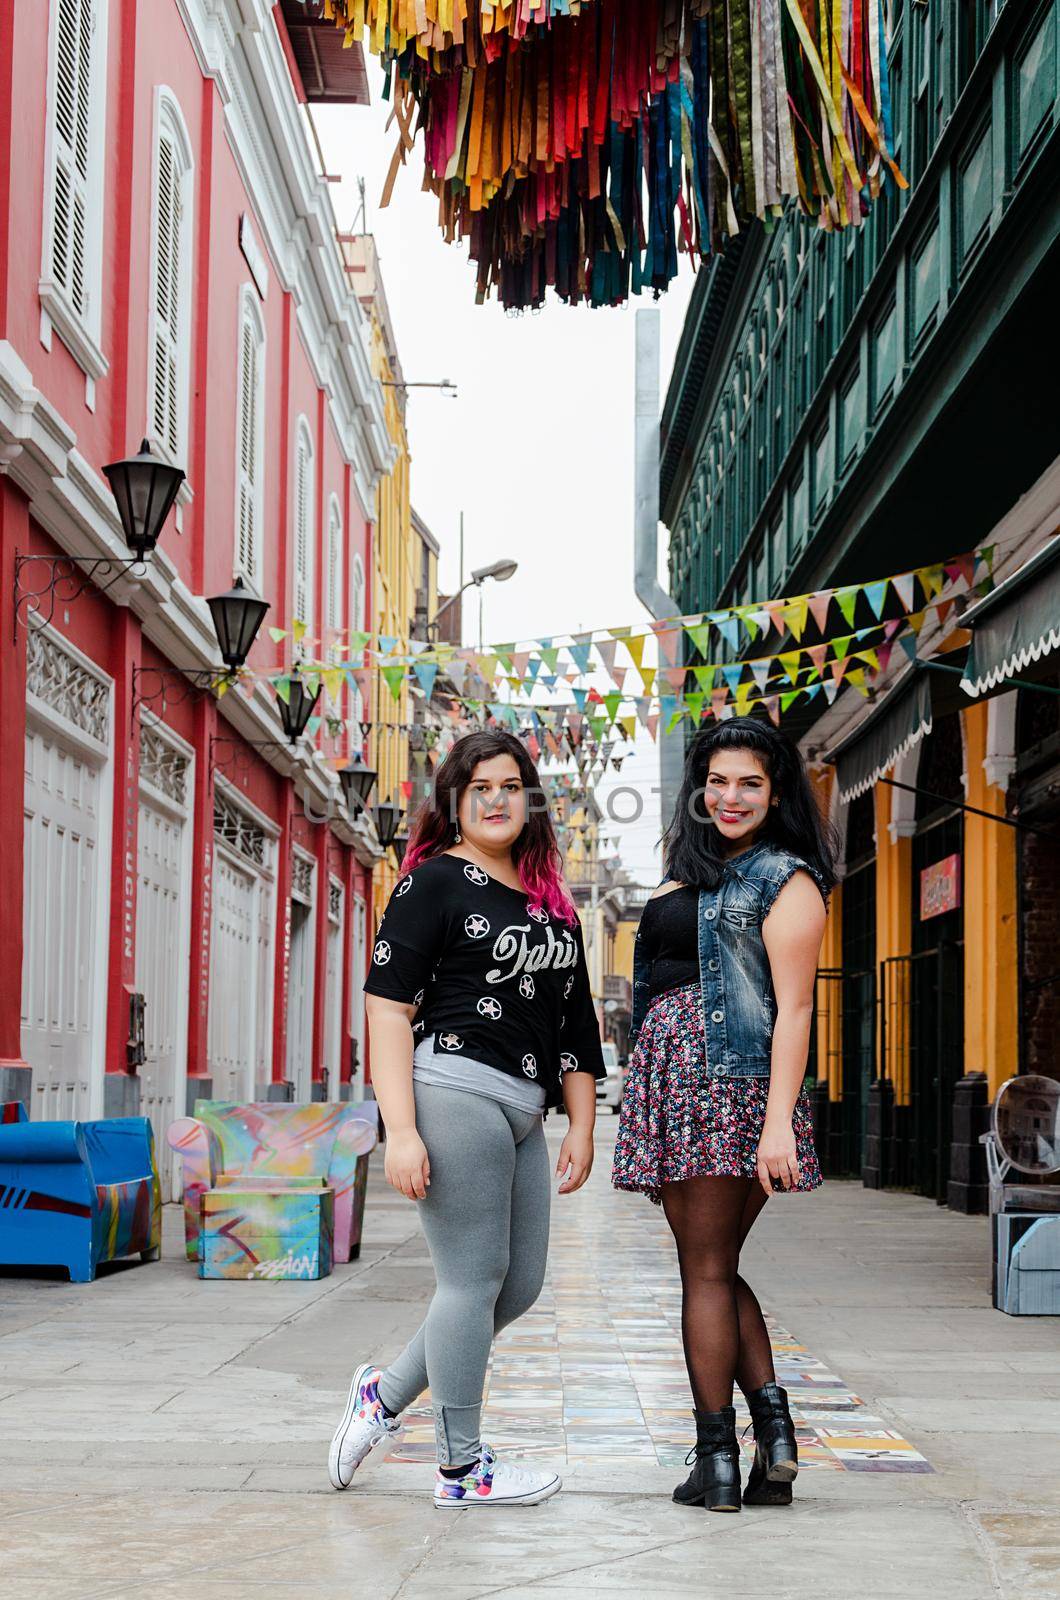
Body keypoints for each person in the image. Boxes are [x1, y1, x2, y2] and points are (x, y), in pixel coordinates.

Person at [328, 730, 604, 1508]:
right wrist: (402, 1129)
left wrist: (580, 1125)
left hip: (525, 1108)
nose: (495, 799)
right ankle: (461, 1468)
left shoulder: (553, 903)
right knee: (470, 1280)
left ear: (530, 798)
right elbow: (386, 1007)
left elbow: (576, 1023)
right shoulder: (433, 884)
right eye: (478, 786)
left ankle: (380, 1399)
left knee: (515, 1288)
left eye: (510, 785)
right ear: (454, 799)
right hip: (453, 1088)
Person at [612, 717, 836, 1512]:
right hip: (677, 1082)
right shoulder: (691, 873)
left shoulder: (787, 879)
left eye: (749, 782)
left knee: (702, 1272)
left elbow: (797, 1010)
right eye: (717, 781)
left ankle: (716, 1460)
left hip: (726, 1085)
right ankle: (772, 1435)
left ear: (775, 795)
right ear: (699, 789)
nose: (730, 796)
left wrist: (780, 1123)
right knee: (716, 1267)